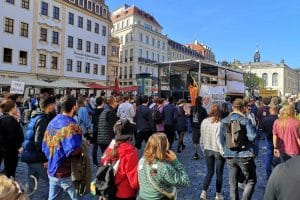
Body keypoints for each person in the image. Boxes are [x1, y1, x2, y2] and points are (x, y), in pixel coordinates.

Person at [42, 95, 82, 200]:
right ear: (74, 107)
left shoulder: (52, 121)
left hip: (52, 167)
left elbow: (45, 143)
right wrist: (82, 147)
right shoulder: (71, 124)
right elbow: (73, 150)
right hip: (66, 171)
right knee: (78, 196)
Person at [220, 98, 257, 200]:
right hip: (245, 155)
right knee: (251, 180)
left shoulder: (224, 121)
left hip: (229, 155)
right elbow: (252, 136)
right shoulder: (245, 120)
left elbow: (221, 139)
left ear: (233, 107)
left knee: (233, 183)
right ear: (242, 108)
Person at [21, 95, 56, 198]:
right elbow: (39, 141)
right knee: (52, 183)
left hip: (30, 156)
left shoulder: (36, 116)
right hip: (37, 157)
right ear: (49, 105)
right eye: (53, 104)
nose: (54, 106)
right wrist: (45, 158)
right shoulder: (43, 119)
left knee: (31, 184)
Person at [137, 133, 190, 200]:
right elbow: (185, 181)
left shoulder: (142, 160)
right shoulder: (163, 167)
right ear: (164, 148)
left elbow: (153, 174)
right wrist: (175, 161)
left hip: (142, 197)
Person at [101, 119, 139, 200]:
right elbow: (134, 182)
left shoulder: (111, 147)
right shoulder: (130, 151)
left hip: (109, 189)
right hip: (125, 193)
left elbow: (103, 162)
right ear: (130, 135)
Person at [200, 104, 225, 200]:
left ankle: (203, 192)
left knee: (209, 172)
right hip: (217, 150)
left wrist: (203, 149)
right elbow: (218, 140)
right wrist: (223, 152)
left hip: (207, 149)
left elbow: (201, 137)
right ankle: (218, 194)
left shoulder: (204, 121)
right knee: (219, 173)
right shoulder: (219, 123)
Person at [0, 99, 24, 178]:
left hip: (4, 148)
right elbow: (14, 136)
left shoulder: (2, 118)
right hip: (10, 150)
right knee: (10, 171)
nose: (16, 108)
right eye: (15, 106)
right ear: (11, 108)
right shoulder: (10, 120)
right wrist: (19, 147)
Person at [261, 104, 278, 178]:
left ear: (270, 110)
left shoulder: (265, 119)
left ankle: (268, 174)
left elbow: (262, 130)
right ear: (277, 110)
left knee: (269, 156)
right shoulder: (279, 119)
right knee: (278, 157)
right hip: (278, 140)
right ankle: (277, 174)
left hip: (269, 139)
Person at [92, 97, 104, 166]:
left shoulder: (94, 111)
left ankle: (94, 162)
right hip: (102, 130)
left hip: (95, 131)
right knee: (103, 148)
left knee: (95, 148)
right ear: (102, 102)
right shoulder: (104, 111)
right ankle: (104, 161)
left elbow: (93, 122)